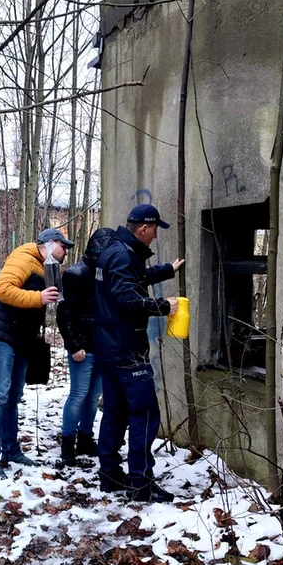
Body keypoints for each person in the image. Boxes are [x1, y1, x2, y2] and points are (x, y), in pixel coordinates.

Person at [94, 204, 185, 502]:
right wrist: (162, 307)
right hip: (127, 350)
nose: (155, 236)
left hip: (109, 347)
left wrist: (166, 270)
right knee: (145, 414)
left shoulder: (115, 252)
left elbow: (132, 281)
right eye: (155, 230)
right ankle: (141, 484)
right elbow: (125, 296)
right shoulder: (123, 254)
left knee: (115, 413)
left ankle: (108, 475)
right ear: (144, 228)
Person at [0, 227, 74, 478]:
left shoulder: (45, 266)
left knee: (12, 397)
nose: (66, 252)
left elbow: (30, 303)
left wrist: (35, 332)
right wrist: (39, 298)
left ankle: (10, 449)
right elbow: (3, 290)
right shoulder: (24, 257)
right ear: (51, 243)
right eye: (63, 246)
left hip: (21, 338)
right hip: (1, 335)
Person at [55, 228, 114, 466]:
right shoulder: (75, 274)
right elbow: (64, 313)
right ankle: (67, 444)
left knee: (92, 398)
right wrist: (74, 344)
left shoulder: (107, 274)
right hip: (82, 347)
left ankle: (86, 439)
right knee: (78, 395)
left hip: (102, 346)